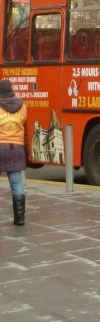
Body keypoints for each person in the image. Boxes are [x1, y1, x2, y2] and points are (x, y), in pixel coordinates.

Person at [0, 79, 28, 225]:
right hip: (16, 147)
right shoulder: (22, 106)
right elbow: (24, 124)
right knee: (16, 183)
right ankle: (20, 217)